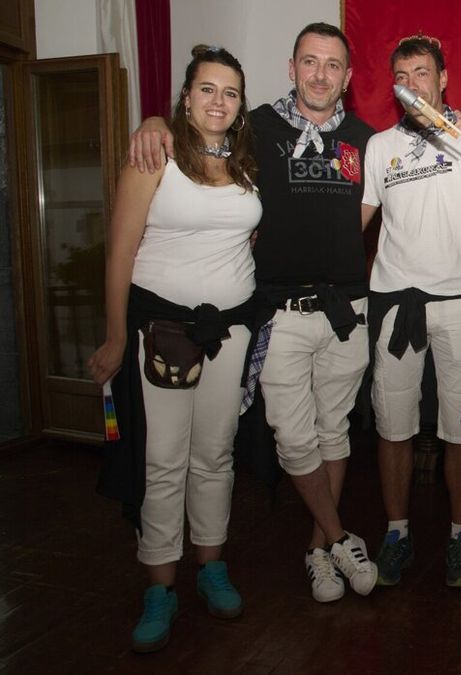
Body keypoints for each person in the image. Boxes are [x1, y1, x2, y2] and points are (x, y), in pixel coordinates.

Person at [128, 22, 380, 604]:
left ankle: (320, 550)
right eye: (309, 61)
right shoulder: (255, 128)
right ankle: (341, 536)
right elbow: (200, 126)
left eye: (333, 64)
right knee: (292, 436)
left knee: (334, 431)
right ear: (291, 68)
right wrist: (153, 122)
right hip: (277, 311)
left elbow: (369, 212)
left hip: (347, 309)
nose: (320, 74)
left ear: (347, 76)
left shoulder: (367, 140)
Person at [89, 45, 260, 652]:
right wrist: (116, 336)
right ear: (186, 98)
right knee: (164, 459)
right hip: (162, 333)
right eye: (207, 89)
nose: (218, 101)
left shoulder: (247, 165)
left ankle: (211, 565)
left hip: (230, 331)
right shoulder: (153, 156)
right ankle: (160, 586)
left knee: (215, 453)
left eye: (230, 92)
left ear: (240, 106)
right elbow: (119, 253)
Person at [360, 34, 461, 588]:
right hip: (395, 302)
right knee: (393, 427)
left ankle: (460, 536)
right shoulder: (379, 146)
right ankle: (396, 533)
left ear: (443, 79)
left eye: (422, 73)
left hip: (458, 303)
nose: (412, 85)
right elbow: (358, 220)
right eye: (402, 76)